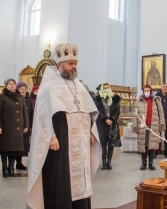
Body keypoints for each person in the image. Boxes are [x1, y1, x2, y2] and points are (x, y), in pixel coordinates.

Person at [26, 43, 101, 209]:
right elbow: (42, 116)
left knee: (80, 179)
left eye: (75, 63)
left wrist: (90, 130)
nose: (74, 67)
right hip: (60, 141)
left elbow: (87, 111)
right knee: (62, 179)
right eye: (70, 64)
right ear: (59, 65)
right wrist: (51, 136)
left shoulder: (79, 86)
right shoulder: (49, 86)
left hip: (80, 142)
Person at [0, 79, 29, 177]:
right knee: (5, 149)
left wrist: (26, 125)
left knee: (15, 149)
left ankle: (11, 167)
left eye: (13, 84)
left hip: (17, 127)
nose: (12, 85)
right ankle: (5, 168)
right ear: (6, 86)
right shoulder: (2, 97)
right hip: (6, 127)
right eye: (10, 84)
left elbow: (24, 112)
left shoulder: (20, 97)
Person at [133, 85, 165, 170]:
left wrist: (162, 125)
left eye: (148, 90)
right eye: (145, 90)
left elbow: (161, 114)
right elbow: (135, 115)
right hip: (142, 126)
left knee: (152, 144)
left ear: (151, 91)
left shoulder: (156, 100)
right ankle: (143, 163)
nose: (146, 92)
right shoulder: (139, 101)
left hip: (153, 125)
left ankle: (151, 163)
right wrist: (135, 127)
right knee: (143, 144)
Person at [95, 83, 121, 170]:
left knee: (111, 144)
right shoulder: (98, 99)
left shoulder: (115, 99)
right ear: (102, 89)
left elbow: (117, 111)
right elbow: (98, 111)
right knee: (102, 144)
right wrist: (105, 119)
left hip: (112, 125)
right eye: (105, 88)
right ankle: (103, 162)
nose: (106, 89)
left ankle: (109, 161)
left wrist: (112, 119)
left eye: (108, 88)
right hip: (102, 124)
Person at [16, 81, 33, 170]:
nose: (23, 91)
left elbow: (30, 112)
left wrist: (29, 125)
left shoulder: (28, 99)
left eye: (25, 89)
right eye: (21, 89)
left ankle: (20, 162)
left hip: (26, 126)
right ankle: (15, 162)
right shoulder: (15, 98)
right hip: (17, 125)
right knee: (17, 145)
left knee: (24, 145)